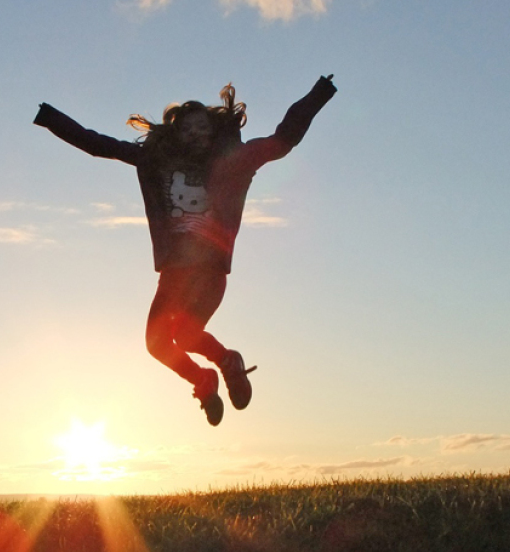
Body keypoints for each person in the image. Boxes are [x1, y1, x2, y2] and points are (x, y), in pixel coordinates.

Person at [33, 75, 337, 426]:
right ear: (175, 135)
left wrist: (319, 94)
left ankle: (228, 363)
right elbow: (99, 144)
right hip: (174, 273)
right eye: (186, 128)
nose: (194, 132)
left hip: (209, 270)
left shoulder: (236, 161)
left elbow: (283, 140)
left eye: (201, 125)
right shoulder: (155, 161)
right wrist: (50, 118)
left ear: (213, 130)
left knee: (188, 334)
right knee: (158, 343)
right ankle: (204, 379)